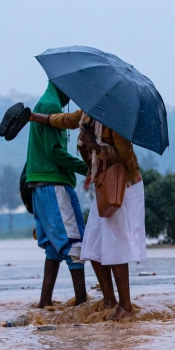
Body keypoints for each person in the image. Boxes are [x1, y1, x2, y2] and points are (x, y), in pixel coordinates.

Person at [30, 107, 146, 320]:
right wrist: (34, 117)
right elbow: (65, 119)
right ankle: (109, 300)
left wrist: (95, 145)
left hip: (123, 188)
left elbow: (126, 159)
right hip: (103, 185)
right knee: (92, 244)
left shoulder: (115, 119)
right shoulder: (88, 114)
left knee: (115, 245)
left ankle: (126, 307)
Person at [24, 82, 89, 308]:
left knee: (53, 246)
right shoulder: (51, 106)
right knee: (75, 245)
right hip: (55, 184)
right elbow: (55, 152)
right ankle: (82, 304)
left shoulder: (44, 103)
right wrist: (88, 169)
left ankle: (44, 303)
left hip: (39, 184)